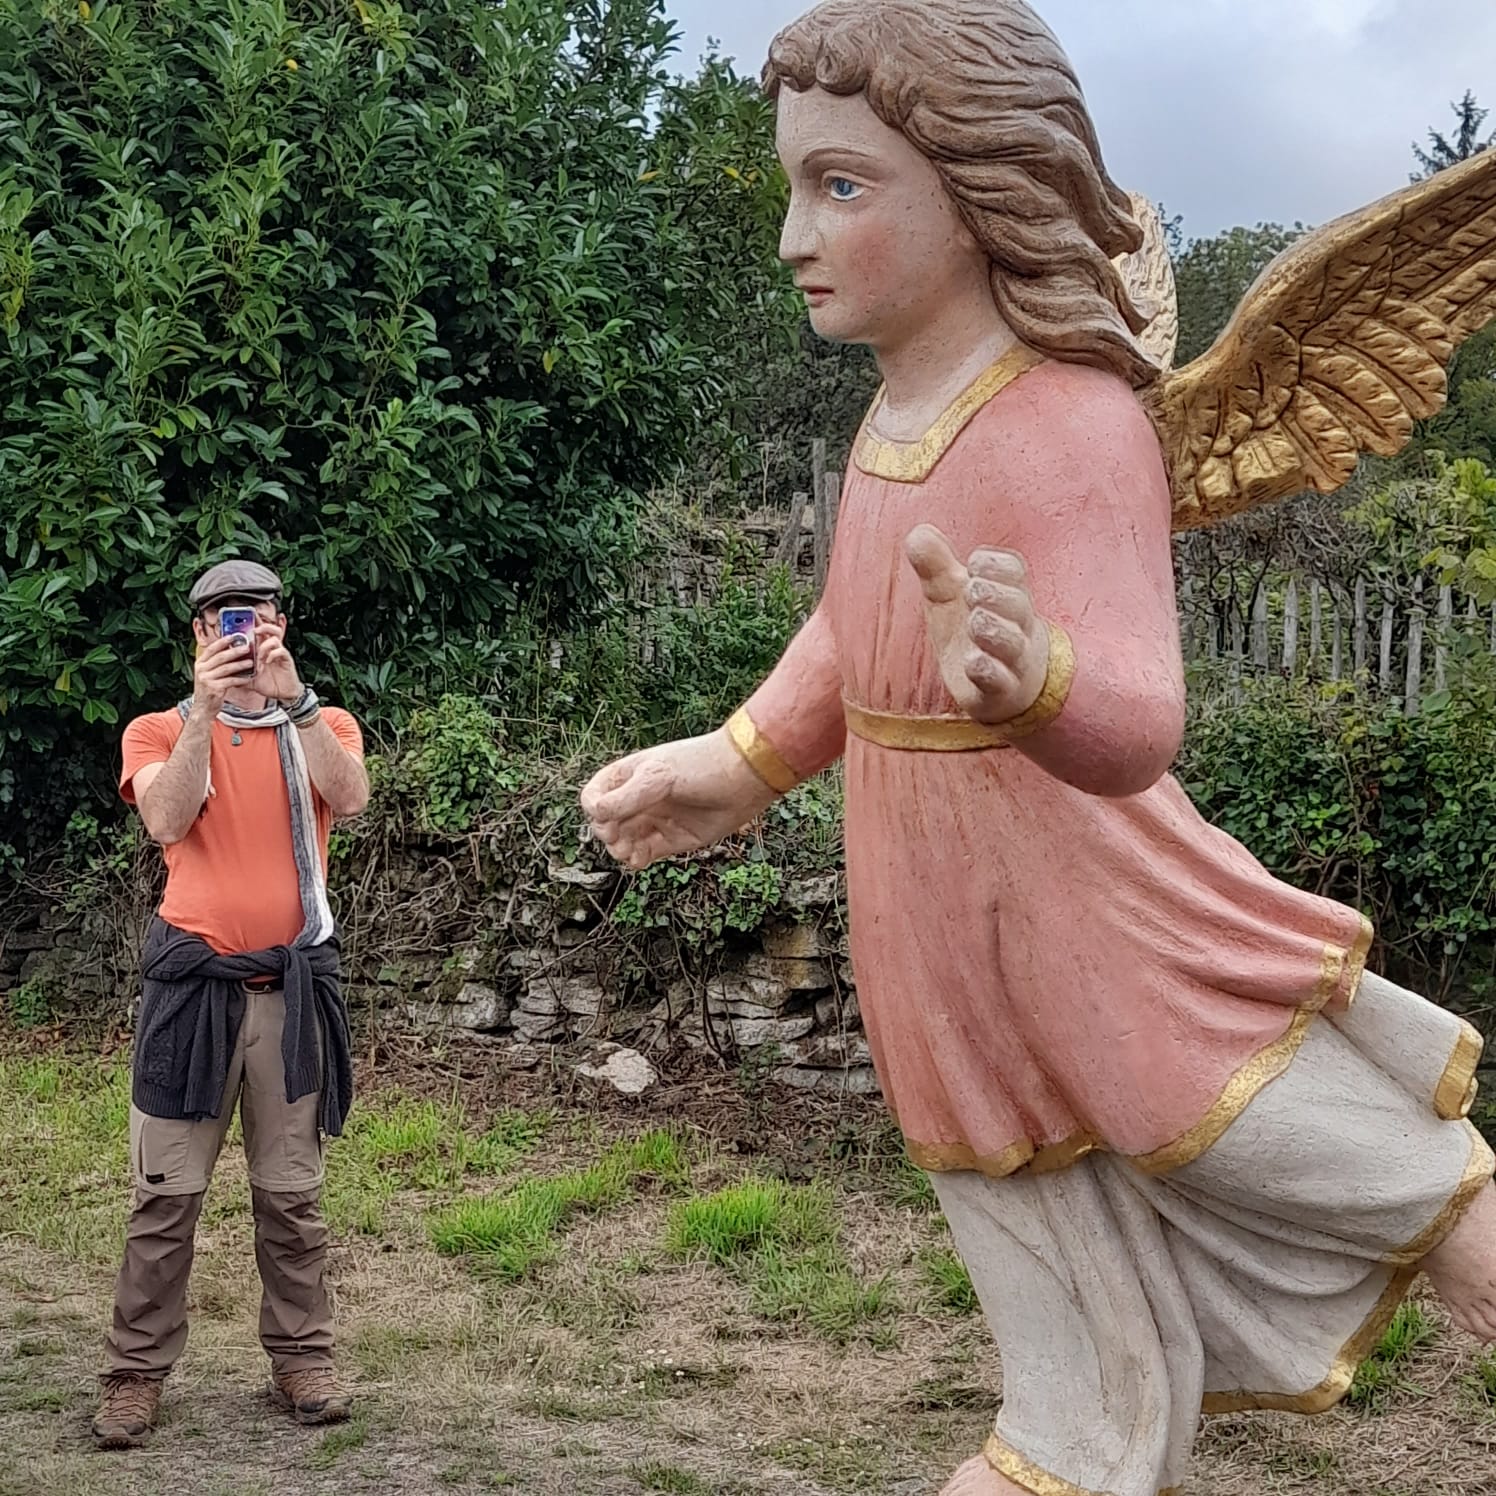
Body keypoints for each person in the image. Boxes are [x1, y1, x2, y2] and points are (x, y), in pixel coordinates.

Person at [580, 4, 1496, 1494]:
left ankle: (1462, 1222)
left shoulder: (1069, 421)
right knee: (1057, 1337)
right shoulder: (899, 415)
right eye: (796, 189)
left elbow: (1139, 718)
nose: (799, 236)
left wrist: (1034, 679)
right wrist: (734, 762)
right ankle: (1069, 1447)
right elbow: (849, 633)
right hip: (938, 929)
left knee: (1240, 1125)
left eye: (844, 187)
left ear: (980, 192)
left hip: (1087, 902)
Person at [93, 559, 370, 1450]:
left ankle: (303, 1360)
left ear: (281, 625)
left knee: (292, 1199)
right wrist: (207, 712)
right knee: (164, 1197)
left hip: (289, 996)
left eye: (255, 619)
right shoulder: (157, 729)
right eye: (223, 622)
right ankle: (135, 1375)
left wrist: (291, 701)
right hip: (193, 996)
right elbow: (169, 821)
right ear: (199, 637)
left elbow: (351, 797)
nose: (242, 636)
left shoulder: (321, 723)